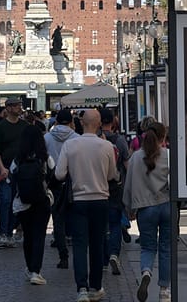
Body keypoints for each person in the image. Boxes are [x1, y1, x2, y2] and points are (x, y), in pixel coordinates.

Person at [55, 108, 118, 302]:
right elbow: (111, 176)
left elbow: (59, 174)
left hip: (78, 201)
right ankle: (96, 286)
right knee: (97, 244)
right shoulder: (106, 146)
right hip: (100, 199)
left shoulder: (70, 145)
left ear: (81, 122)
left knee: (80, 245)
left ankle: (81, 288)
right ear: (99, 124)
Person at [123, 120, 171, 302]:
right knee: (166, 248)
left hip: (145, 208)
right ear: (163, 137)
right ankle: (164, 290)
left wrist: (130, 208)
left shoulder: (136, 157)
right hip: (166, 205)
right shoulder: (168, 155)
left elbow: (128, 185)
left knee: (148, 247)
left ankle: (146, 272)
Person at [12, 124, 53, 285]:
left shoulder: (18, 159)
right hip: (42, 201)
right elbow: (54, 175)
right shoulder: (44, 158)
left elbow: (11, 179)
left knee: (28, 236)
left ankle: (30, 268)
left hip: (23, 202)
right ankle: (36, 271)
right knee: (39, 235)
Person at [0, 96, 28, 247]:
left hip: (21, 171)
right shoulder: (1, 127)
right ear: (9, 108)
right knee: (6, 200)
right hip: (5, 169)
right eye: (16, 105)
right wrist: (1, 167)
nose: (19, 108)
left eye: (19, 105)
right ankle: (3, 233)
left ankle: (12, 231)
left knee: (19, 202)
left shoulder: (24, 126)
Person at [44, 108, 79, 269]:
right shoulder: (77, 139)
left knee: (57, 219)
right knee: (75, 217)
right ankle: (77, 252)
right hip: (73, 182)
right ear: (71, 122)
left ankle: (62, 254)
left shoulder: (47, 138)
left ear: (56, 121)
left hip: (54, 182)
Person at [99, 107, 128, 276]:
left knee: (101, 224)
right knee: (115, 222)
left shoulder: (94, 140)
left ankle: (103, 259)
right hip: (116, 187)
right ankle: (114, 254)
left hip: (98, 186)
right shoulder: (119, 140)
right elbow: (126, 164)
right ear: (113, 121)